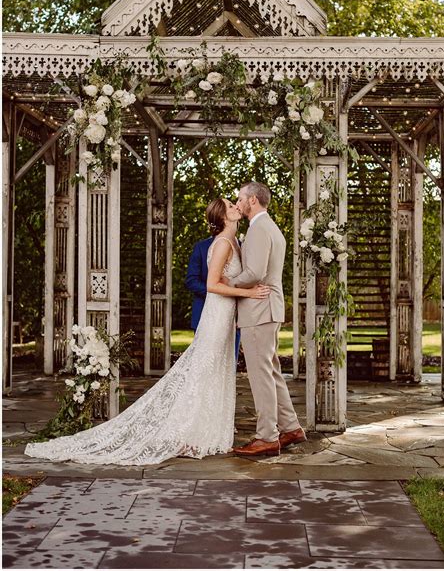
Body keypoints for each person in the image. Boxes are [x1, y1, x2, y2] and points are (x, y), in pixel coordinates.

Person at [24, 198, 269, 466]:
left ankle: (207, 430)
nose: (236, 206)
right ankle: (185, 432)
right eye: (230, 205)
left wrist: (237, 289)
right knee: (203, 371)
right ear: (222, 216)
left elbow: (225, 277)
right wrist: (247, 292)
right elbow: (211, 285)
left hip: (226, 316)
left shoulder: (234, 241)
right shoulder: (222, 243)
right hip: (215, 315)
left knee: (218, 371)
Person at [229, 181, 306, 457]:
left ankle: (267, 437)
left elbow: (255, 272)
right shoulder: (269, 227)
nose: (237, 202)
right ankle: (290, 427)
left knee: (260, 375)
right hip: (267, 309)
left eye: (240, 198)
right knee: (271, 372)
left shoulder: (260, 228)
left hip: (259, 309)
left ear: (252, 200)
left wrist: (226, 282)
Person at [186, 235, 241, 360]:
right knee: (204, 362)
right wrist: (218, 291)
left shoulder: (241, 246)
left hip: (234, 315)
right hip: (205, 314)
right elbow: (191, 280)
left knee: (229, 364)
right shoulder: (201, 247)